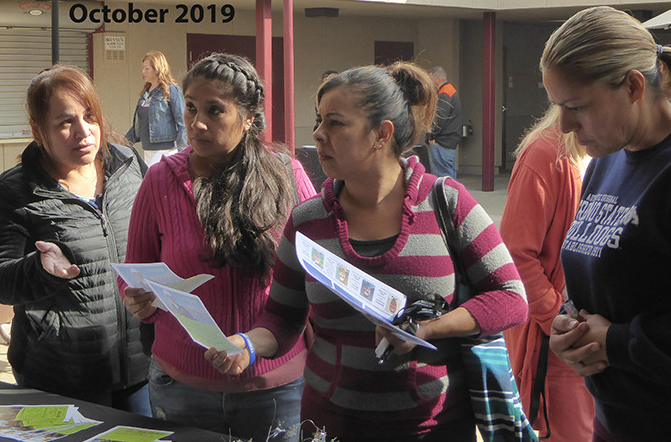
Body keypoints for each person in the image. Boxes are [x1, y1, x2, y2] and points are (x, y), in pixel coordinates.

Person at [206, 63, 529, 442]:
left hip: (432, 428)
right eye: (319, 121)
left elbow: (510, 299)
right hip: (329, 425)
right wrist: (246, 345)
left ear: (382, 133)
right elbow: (282, 317)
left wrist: (428, 328)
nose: (318, 135)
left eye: (335, 123)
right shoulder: (307, 220)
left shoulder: (448, 203)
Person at [120, 53, 317, 442]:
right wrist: (137, 299)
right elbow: (135, 271)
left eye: (215, 110)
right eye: (191, 108)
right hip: (181, 386)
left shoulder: (285, 175)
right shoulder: (161, 180)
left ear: (248, 117)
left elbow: (317, 270)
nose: (197, 123)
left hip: (274, 388)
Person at [0, 65, 150, 414]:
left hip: (141, 368)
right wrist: (39, 269)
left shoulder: (131, 166)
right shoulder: (14, 191)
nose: (83, 132)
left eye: (90, 116)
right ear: (37, 130)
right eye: (64, 122)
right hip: (60, 376)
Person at [540, 6, 671, 442]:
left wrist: (614, 343)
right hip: (612, 421)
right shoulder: (607, 160)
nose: (564, 125)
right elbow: (595, 275)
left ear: (634, 86)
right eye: (558, 106)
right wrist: (567, 326)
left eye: (577, 106)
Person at [500, 105, 594, 441]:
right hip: (560, 348)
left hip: (604, 343)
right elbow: (515, 254)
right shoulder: (545, 155)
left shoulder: (620, 154)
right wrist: (556, 318)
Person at [126, 50, 187, 166]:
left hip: (166, 150)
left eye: (147, 68)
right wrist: (122, 142)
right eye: (143, 68)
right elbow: (139, 125)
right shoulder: (145, 93)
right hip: (147, 149)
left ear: (157, 68)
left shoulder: (171, 90)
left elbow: (182, 122)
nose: (143, 72)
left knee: (155, 180)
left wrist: (182, 152)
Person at [426, 65, 462, 178]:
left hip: (442, 141)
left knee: (442, 176)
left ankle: (445, 196)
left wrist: (431, 135)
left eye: (429, 78)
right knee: (448, 175)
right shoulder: (450, 91)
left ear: (434, 77)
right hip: (449, 141)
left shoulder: (444, 94)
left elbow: (439, 118)